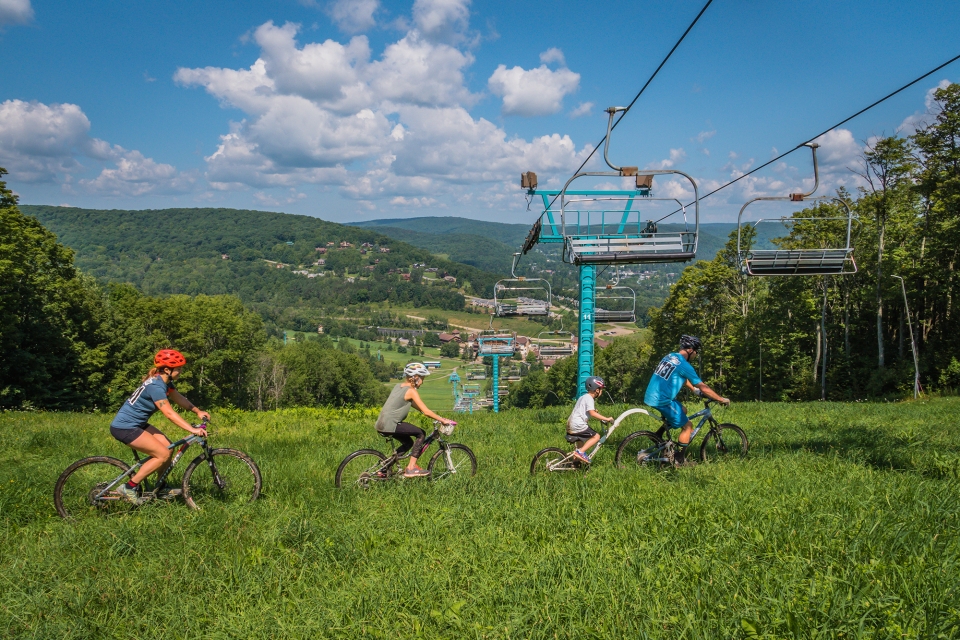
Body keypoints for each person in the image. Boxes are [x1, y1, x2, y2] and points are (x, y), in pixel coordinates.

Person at [109, 349, 210, 503]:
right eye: (179, 369)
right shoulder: (156, 386)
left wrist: (197, 411)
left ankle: (159, 487)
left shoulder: (164, 383)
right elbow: (169, 413)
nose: (181, 371)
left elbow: (179, 398)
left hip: (137, 424)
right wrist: (192, 429)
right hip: (125, 427)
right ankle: (129, 487)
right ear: (167, 370)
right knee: (162, 454)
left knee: (168, 448)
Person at [643, 335, 729, 466]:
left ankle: (658, 435)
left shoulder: (671, 356)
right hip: (662, 400)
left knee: (683, 410)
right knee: (688, 426)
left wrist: (693, 390)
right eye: (696, 352)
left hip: (651, 395)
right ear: (690, 351)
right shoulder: (685, 365)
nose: (696, 355)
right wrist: (720, 399)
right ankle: (679, 459)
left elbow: (681, 377)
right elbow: (704, 387)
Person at [375, 362, 456, 478]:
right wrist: (442, 420)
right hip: (391, 424)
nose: (422, 381)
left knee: (408, 443)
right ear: (416, 378)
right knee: (421, 433)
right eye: (422, 378)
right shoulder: (411, 391)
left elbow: (417, 407)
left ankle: (383, 470)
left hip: (381, 424)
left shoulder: (398, 386)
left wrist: (435, 416)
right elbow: (426, 411)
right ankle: (411, 468)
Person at [568, 376, 614, 464]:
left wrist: (592, 411)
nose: (602, 391)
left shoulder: (583, 397)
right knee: (596, 436)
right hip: (578, 425)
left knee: (580, 446)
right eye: (601, 389)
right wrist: (607, 418)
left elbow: (584, 410)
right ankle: (580, 453)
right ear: (597, 390)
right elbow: (592, 414)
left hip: (572, 424)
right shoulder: (589, 398)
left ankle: (574, 464)